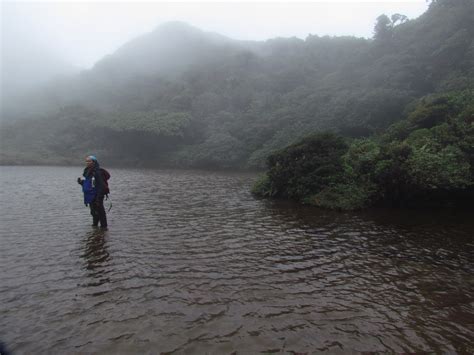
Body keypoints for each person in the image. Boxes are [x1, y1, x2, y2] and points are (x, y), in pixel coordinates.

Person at [77, 155, 108, 230]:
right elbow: (90, 184)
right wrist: (81, 182)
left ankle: (104, 228)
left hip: (97, 195)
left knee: (100, 212)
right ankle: (95, 226)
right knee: (93, 212)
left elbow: (101, 186)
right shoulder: (87, 171)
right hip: (90, 195)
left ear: (94, 162)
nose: (87, 162)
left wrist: (98, 197)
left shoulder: (97, 172)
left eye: (89, 161)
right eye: (86, 161)